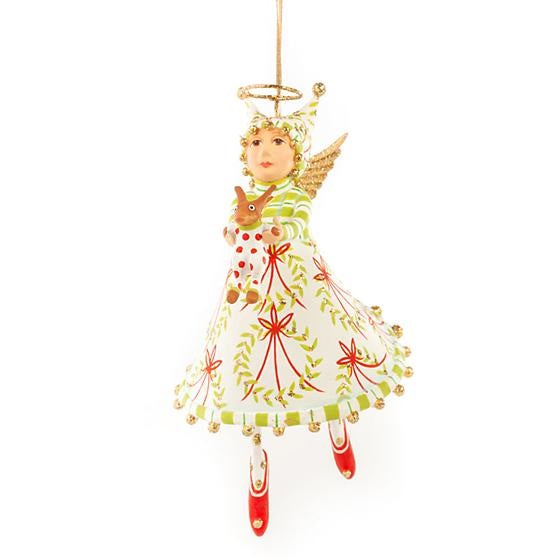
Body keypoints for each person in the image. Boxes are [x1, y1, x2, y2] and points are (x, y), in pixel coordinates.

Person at [173, 83, 413, 536]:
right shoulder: (244, 193)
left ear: (297, 156)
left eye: (277, 141)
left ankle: (335, 414)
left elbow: (297, 222)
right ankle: (257, 450)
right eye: (255, 142)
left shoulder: (294, 194)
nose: (264, 151)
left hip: (299, 283)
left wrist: (278, 231)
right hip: (249, 286)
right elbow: (234, 224)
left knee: (324, 341)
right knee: (247, 360)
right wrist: (232, 232)